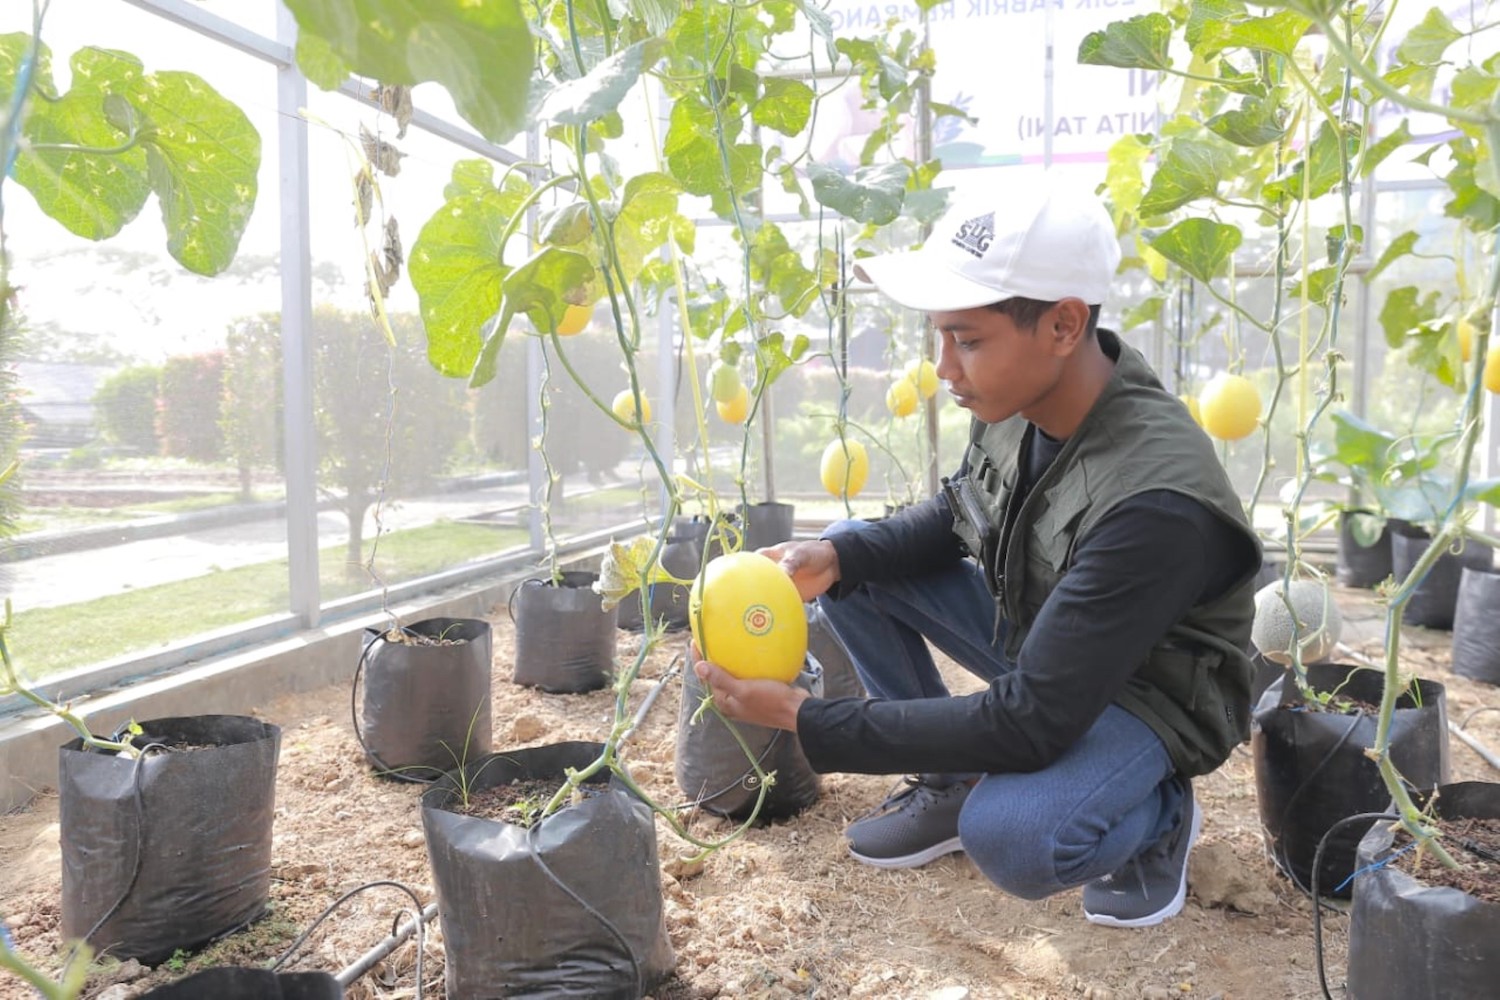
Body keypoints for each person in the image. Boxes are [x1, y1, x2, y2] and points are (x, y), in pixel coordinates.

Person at [692, 175, 1262, 929]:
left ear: (1062, 325)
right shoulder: (1019, 399)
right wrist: (838, 560)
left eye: (965, 340)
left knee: (1016, 837)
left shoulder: (1155, 504)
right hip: (1046, 644)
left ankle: (1154, 812)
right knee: (852, 556)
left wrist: (809, 717)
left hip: (1147, 696)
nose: (945, 369)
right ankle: (951, 778)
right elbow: (955, 513)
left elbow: (1029, 722)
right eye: (941, 338)